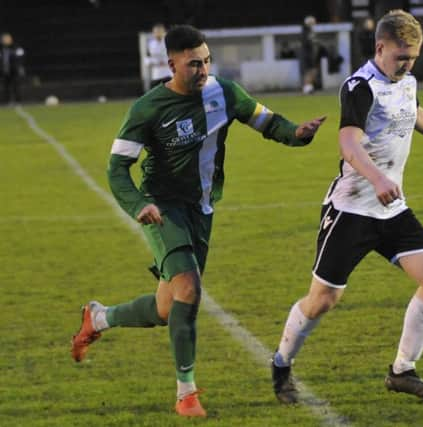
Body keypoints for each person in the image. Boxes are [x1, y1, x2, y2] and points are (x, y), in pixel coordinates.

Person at [70, 24, 326, 417]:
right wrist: (138, 203)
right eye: (193, 63)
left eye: (206, 61)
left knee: (165, 308)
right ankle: (185, 393)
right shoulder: (148, 108)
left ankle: (99, 317)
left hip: (202, 208)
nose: (203, 69)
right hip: (162, 207)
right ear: (171, 63)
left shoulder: (224, 92)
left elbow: (267, 122)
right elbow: (117, 169)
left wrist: (298, 132)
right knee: (189, 288)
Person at [270, 9, 423, 404]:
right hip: (352, 209)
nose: (407, 65)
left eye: (413, 58)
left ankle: (402, 370)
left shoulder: (406, 80)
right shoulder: (359, 87)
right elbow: (348, 143)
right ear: (379, 47)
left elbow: (414, 110)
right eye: (401, 57)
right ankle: (282, 363)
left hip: (392, 208)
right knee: (322, 301)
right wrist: (378, 178)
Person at [0, 32, 25, 104]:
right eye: (4, 39)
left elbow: (21, 57)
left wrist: (18, 67)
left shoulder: (16, 47)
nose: (6, 40)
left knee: (16, 87)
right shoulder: (1, 49)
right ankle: (5, 102)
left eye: (8, 39)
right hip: (4, 71)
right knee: (5, 88)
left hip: (14, 71)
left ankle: (18, 102)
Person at [145, 23, 172, 88]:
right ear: (153, 33)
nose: (158, 34)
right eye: (156, 32)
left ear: (164, 32)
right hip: (156, 75)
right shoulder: (150, 44)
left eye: (160, 32)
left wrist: (166, 62)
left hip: (168, 74)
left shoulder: (169, 43)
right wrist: (153, 62)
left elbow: (174, 56)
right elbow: (147, 59)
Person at [301, 15, 321, 94]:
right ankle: (307, 88)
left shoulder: (310, 31)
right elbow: (307, 43)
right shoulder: (306, 32)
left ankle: (309, 87)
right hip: (307, 55)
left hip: (311, 54)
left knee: (313, 71)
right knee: (309, 71)